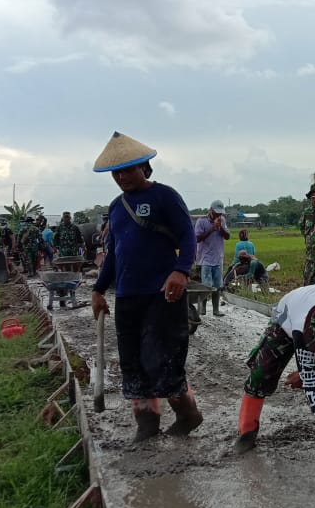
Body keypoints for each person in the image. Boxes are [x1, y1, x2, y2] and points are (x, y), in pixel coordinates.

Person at [90, 131, 202, 441]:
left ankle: (188, 414)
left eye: (128, 169)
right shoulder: (116, 207)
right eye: (117, 172)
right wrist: (99, 290)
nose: (122, 177)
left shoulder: (165, 196)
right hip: (127, 297)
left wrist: (181, 271)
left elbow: (188, 236)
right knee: (134, 365)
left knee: (162, 362)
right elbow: (115, 254)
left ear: (145, 167)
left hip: (162, 295)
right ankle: (147, 425)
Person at [234, 283, 315, 465]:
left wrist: (312, 374)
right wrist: (308, 376)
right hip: (288, 313)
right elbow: (312, 391)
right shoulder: (300, 327)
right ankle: (246, 432)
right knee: (263, 372)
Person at [194, 199, 230, 317]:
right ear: (211, 211)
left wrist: (220, 228)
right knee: (206, 285)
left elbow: (227, 236)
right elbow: (197, 239)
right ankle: (203, 308)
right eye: (216, 213)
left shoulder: (222, 220)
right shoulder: (201, 221)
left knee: (217, 286)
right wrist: (212, 229)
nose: (218, 215)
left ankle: (216, 310)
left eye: (220, 213)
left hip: (218, 257)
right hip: (205, 258)